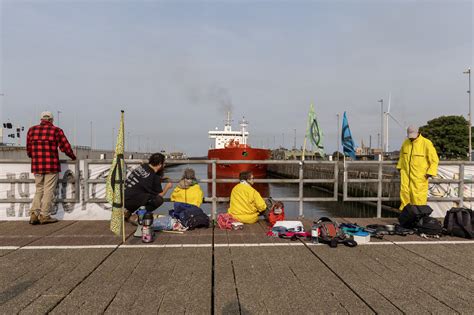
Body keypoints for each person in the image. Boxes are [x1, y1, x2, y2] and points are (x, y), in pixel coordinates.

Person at [27, 111, 76, 225]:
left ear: (41, 119)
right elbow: (65, 147)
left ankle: (34, 214)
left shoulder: (31, 130)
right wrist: (72, 157)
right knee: (48, 190)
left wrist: (34, 157)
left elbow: (29, 149)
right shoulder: (56, 130)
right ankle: (44, 215)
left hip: (37, 165)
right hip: (51, 165)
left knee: (39, 189)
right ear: (52, 120)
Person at [397, 125, 439, 210]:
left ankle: (419, 216)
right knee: (405, 194)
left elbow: (434, 160)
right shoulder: (405, 143)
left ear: (419, 133)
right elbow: (402, 157)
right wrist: (400, 168)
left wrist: (429, 173)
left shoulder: (426, 143)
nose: (411, 138)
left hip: (419, 177)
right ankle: (405, 215)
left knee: (418, 197)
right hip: (406, 176)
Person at [124, 153, 173, 220]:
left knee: (141, 194)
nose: (164, 165)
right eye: (164, 163)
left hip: (123, 198)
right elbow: (160, 195)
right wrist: (167, 187)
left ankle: (128, 212)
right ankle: (136, 216)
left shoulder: (143, 166)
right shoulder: (154, 177)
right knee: (158, 200)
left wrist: (160, 179)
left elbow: (143, 179)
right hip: (131, 201)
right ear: (159, 164)